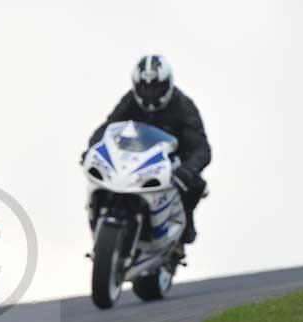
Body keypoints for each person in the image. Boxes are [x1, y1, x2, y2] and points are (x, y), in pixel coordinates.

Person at [88, 55, 211, 243]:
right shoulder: (130, 100)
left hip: (171, 163)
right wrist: (93, 148)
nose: (150, 93)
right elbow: (109, 127)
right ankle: (100, 215)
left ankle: (184, 223)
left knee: (195, 186)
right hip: (134, 157)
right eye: (145, 88)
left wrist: (186, 171)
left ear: (167, 85)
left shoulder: (184, 106)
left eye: (155, 88)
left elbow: (202, 149)